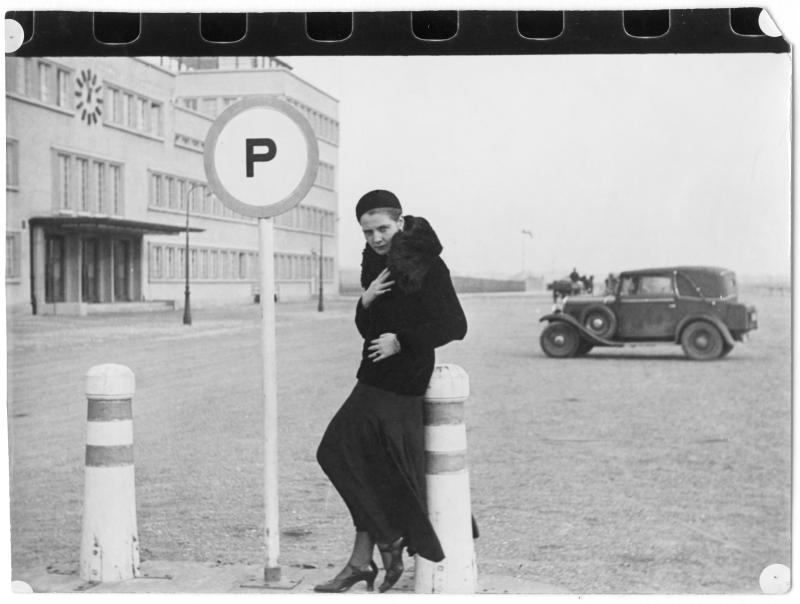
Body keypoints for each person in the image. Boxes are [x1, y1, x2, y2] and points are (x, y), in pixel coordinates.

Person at [314, 189, 468, 593]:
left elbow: (455, 324)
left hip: (403, 377)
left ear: (400, 223)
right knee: (371, 465)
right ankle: (361, 562)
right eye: (367, 232)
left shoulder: (428, 265)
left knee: (333, 450)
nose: (376, 238)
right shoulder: (374, 264)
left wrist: (401, 340)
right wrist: (364, 303)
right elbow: (369, 330)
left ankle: (388, 539)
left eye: (383, 228)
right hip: (375, 373)